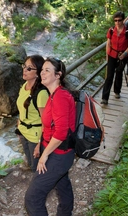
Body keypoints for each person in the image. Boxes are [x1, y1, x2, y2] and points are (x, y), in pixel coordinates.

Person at [24, 57, 76, 216]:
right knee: (62, 184)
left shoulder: (60, 97)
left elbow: (60, 134)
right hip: (54, 150)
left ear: (58, 75)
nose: (42, 73)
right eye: (42, 70)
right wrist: (41, 143)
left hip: (59, 155)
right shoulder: (52, 94)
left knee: (32, 198)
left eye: (47, 70)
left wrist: (44, 156)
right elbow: (49, 126)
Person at [16, 55, 49, 172]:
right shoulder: (25, 86)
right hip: (23, 131)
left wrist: (40, 143)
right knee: (31, 163)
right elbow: (22, 107)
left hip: (35, 136)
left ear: (38, 73)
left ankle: (41, 188)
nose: (25, 70)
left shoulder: (41, 94)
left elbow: (46, 121)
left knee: (37, 168)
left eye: (29, 68)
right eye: (24, 66)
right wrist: (19, 123)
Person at [101, 11, 128, 104]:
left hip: (122, 56)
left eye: (119, 20)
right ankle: (105, 98)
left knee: (119, 73)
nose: (117, 22)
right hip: (112, 54)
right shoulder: (111, 30)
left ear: (123, 20)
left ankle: (117, 91)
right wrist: (107, 54)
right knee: (109, 76)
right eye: (115, 20)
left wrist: (125, 54)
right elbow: (108, 42)